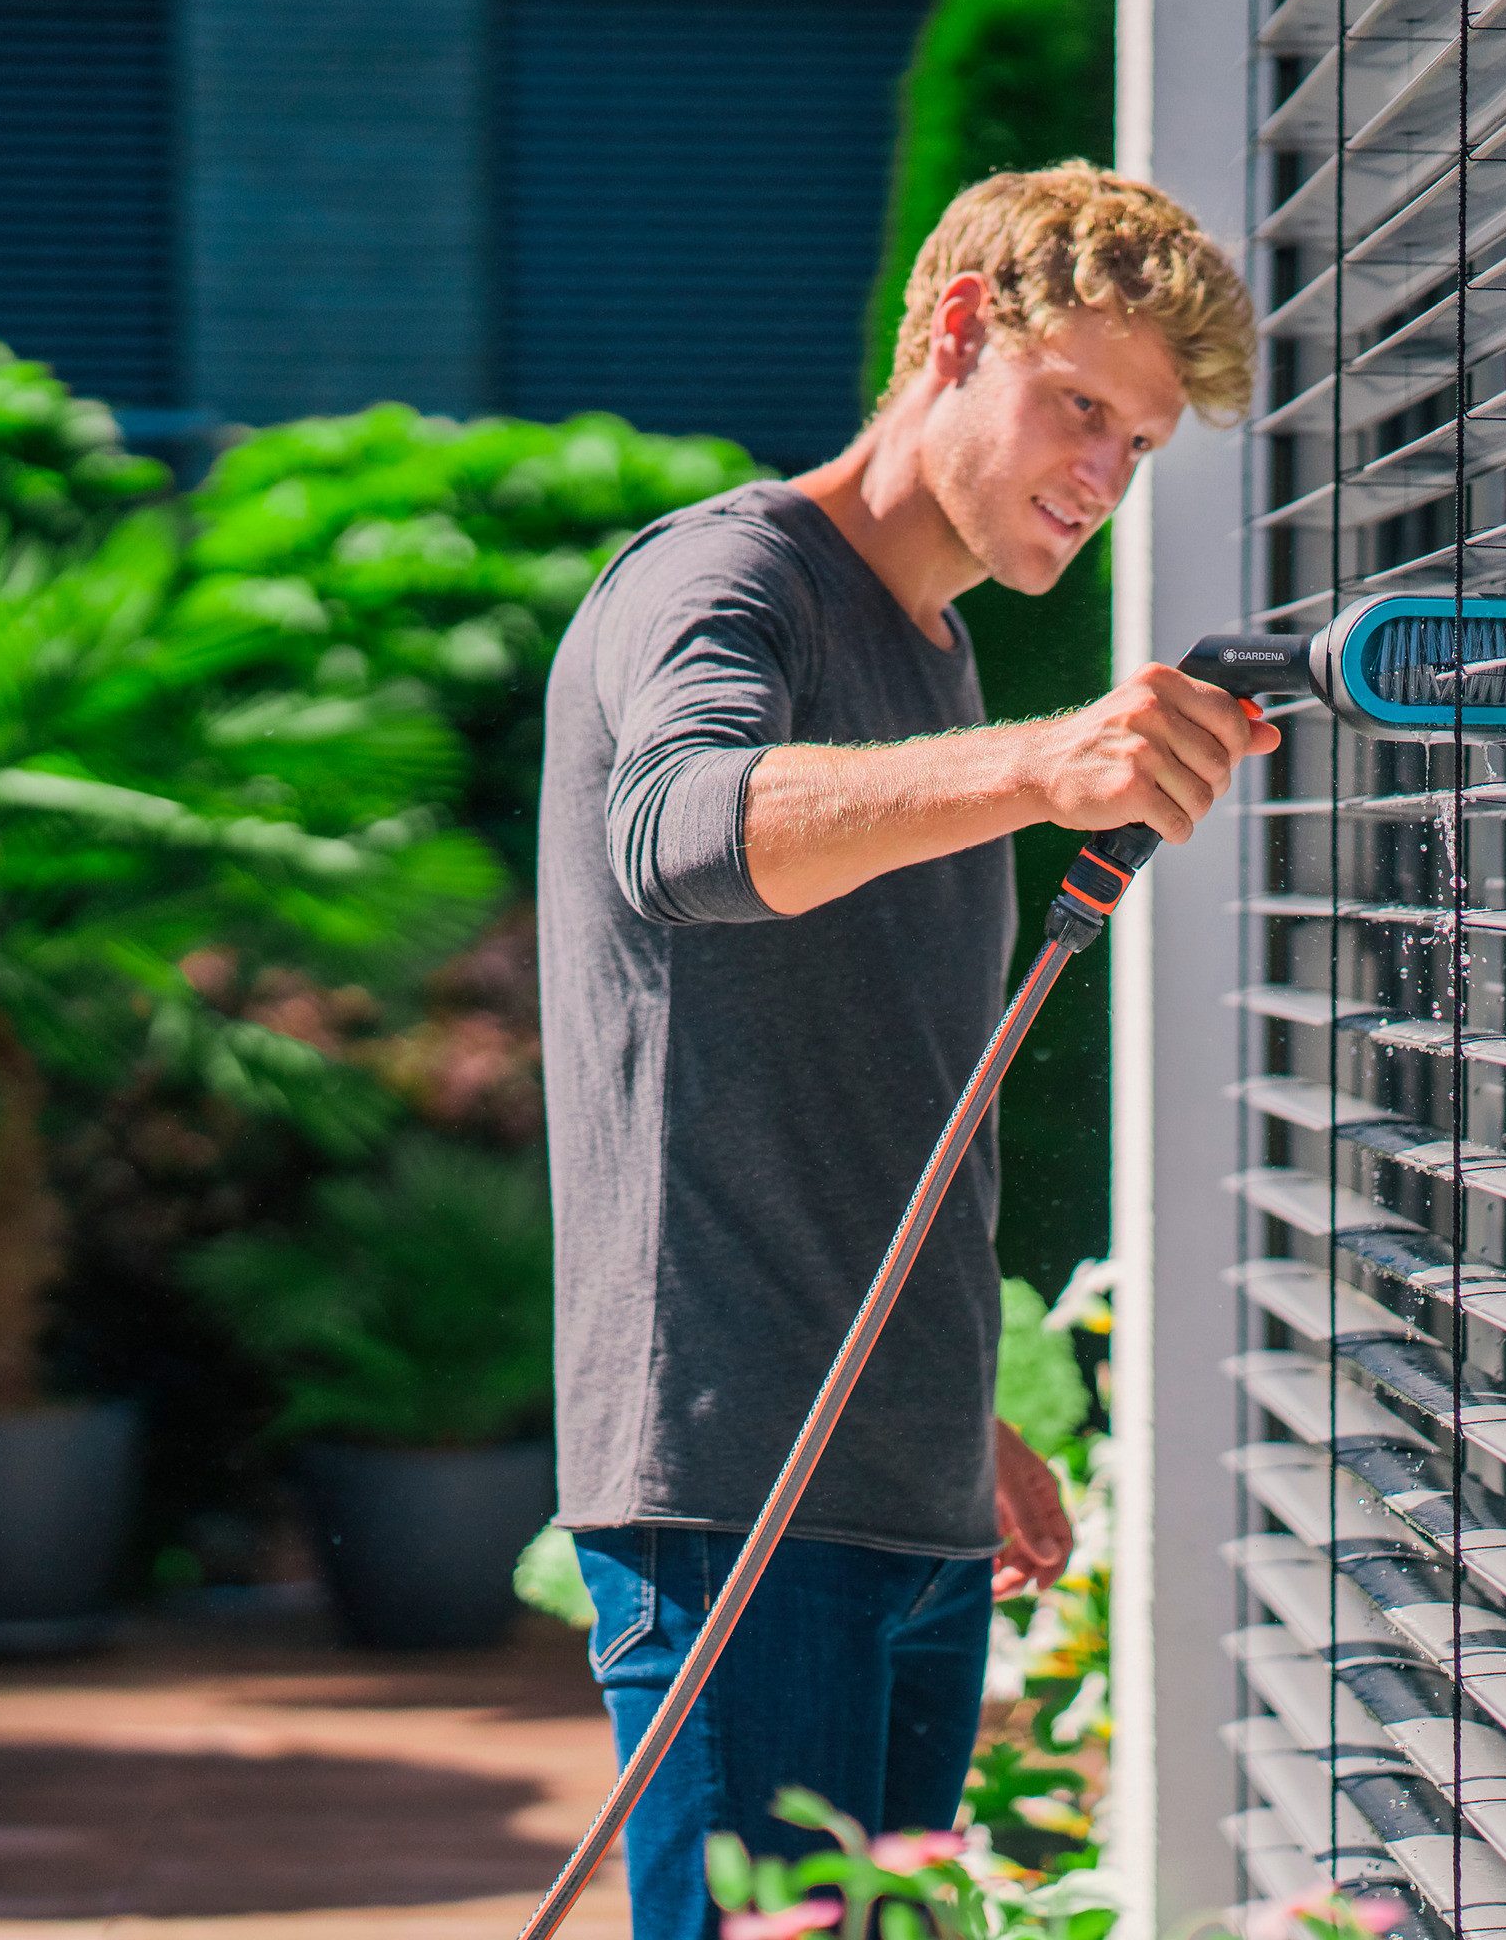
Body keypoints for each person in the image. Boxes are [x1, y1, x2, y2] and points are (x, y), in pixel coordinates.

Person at [535, 162, 1273, 1939]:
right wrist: (1038, 772)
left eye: (1141, 447)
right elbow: (683, 831)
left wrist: (958, 1420)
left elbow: (866, 1093)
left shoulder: (932, 656)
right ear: (956, 335)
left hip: (896, 1488)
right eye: (1080, 408)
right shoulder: (728, 582)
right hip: (734, 1492)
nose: (1101, 479)